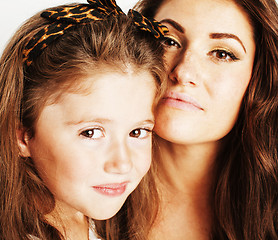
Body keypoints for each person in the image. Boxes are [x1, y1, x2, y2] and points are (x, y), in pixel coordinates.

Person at [96, 0, 278, 239]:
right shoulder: (74, 195)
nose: (183, 72)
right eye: (169, 41)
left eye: (222, 54)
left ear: (258, 77)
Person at [0, 0, 168, 239]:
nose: (122, 164)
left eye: (138, 132)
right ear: (23, 136)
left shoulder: (107, 226)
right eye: (91, 132)